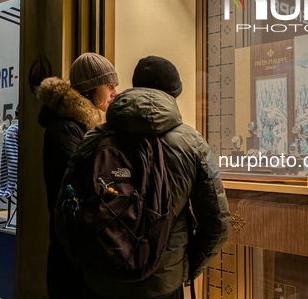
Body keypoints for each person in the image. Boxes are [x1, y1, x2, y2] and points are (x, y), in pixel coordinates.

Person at [56, 56, 230, 299]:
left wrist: (87, 265)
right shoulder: (193, 144)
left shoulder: (93, 139)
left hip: (101, 284)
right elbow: (217, 223)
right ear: (174, 94)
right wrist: (183, 269)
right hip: (163, 285)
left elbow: (64, 214)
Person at [37, 52, 118, 299]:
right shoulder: (65, 128)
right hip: (71, 248)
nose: (115, 92)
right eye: (109, 85)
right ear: (92, 88)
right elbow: (76, 187)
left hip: (80, 244)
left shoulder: (84, 126)